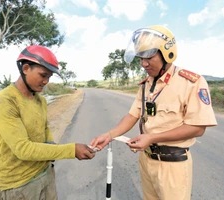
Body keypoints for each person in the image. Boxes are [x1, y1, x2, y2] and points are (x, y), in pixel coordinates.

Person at [90, 25, 217, 200]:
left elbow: (197, 127)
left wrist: (151, 138)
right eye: (140, 58)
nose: (144, 64)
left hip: (173, 165)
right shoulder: (146, 84)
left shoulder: (191, 82)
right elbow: (133, 115)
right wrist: (109, 134)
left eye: (149, 57)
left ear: (167, 54)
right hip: (146, 160)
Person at [0, 45, 96, 200]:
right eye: (43, 75)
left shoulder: (39, 100)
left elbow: (45, 131)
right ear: (25, 68)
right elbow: (22, 149)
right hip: (20, 184)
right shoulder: (4, 101)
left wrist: (52, 150)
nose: (45, 81)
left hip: (45, 173)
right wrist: (71, 150)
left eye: (49, 77)